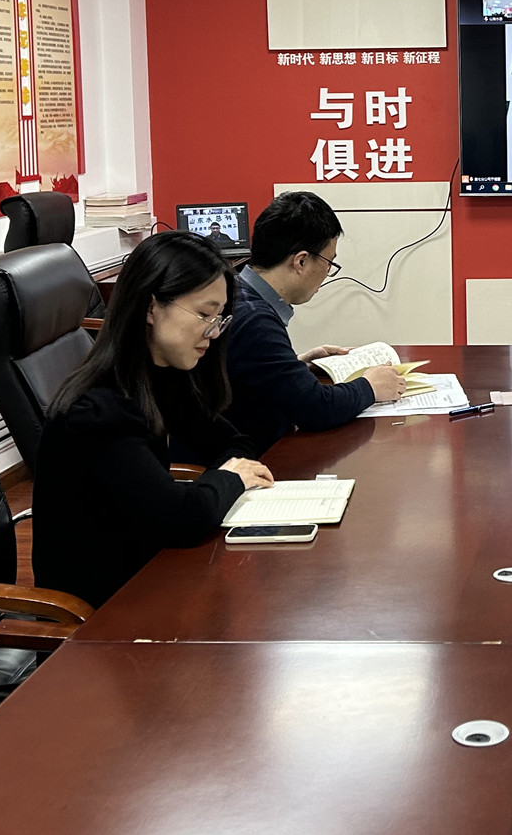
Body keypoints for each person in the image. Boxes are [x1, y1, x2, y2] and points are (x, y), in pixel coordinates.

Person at [33, 231, 274, 607]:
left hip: (147, 579)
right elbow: (181, 518)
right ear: (150, 308)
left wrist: (220, 481)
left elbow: (235, 444)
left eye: (219, 318)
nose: (213, 332)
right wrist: (229, 479)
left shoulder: (161, 377)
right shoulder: (96, 413)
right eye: (204, 314)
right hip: (100, 617)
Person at [218, 190, 405, 448]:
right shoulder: (255, 320)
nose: (328, 273)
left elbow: (250, 375)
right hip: (247, 460)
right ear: (301, 261)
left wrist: (298, 364)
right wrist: (371, 387)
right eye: (329, 263)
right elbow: (316, 409)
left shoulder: (238, 291)